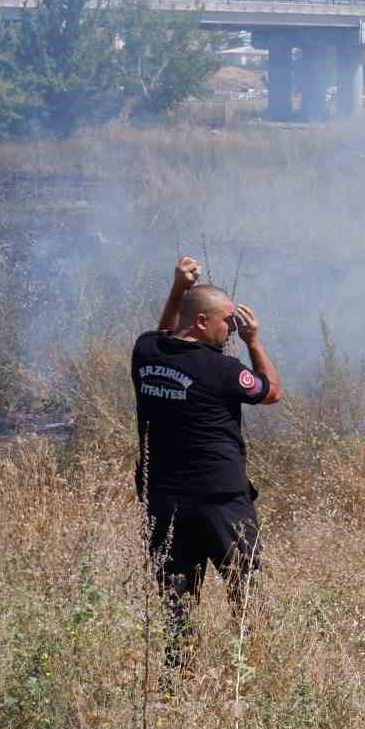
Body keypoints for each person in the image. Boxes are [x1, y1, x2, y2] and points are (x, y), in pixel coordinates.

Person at [131, 256, 283, 664]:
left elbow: (165, 333)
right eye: (227, 321)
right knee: (245, 592)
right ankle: (249, 671)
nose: (231, 328)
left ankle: (176, 679)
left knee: (176, 599)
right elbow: (271, 392)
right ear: (201, 323)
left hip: (165, 502)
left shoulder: (146, 353)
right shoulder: (223, 370)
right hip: (221, 501)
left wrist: (178, 288)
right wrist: (254, 342)